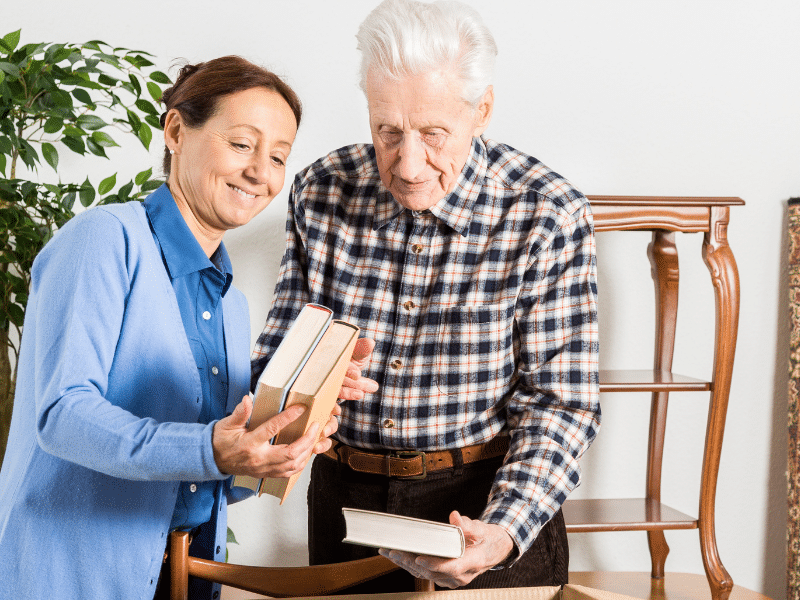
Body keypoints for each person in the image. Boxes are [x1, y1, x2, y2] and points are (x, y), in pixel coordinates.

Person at [251, 0, 601, 592]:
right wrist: (316, 385)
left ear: (481, 110)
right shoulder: (321, 189)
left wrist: (501, 530)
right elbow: (279, 354)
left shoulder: (547, 212)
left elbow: (561, 404)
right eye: (387, 131)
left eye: (433, 134)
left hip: (483, 501)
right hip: (346, 502)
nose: (409, 164)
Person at [0, 55, 341, 600]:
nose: (261, 171)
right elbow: (62, 413)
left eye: (279, 156)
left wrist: (281, 439)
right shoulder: (104, 240)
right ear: (177, 130)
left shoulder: (230, 299)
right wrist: (213, 448)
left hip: (186, 574)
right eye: (241, 144)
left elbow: (196, 478)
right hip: (72, 576)